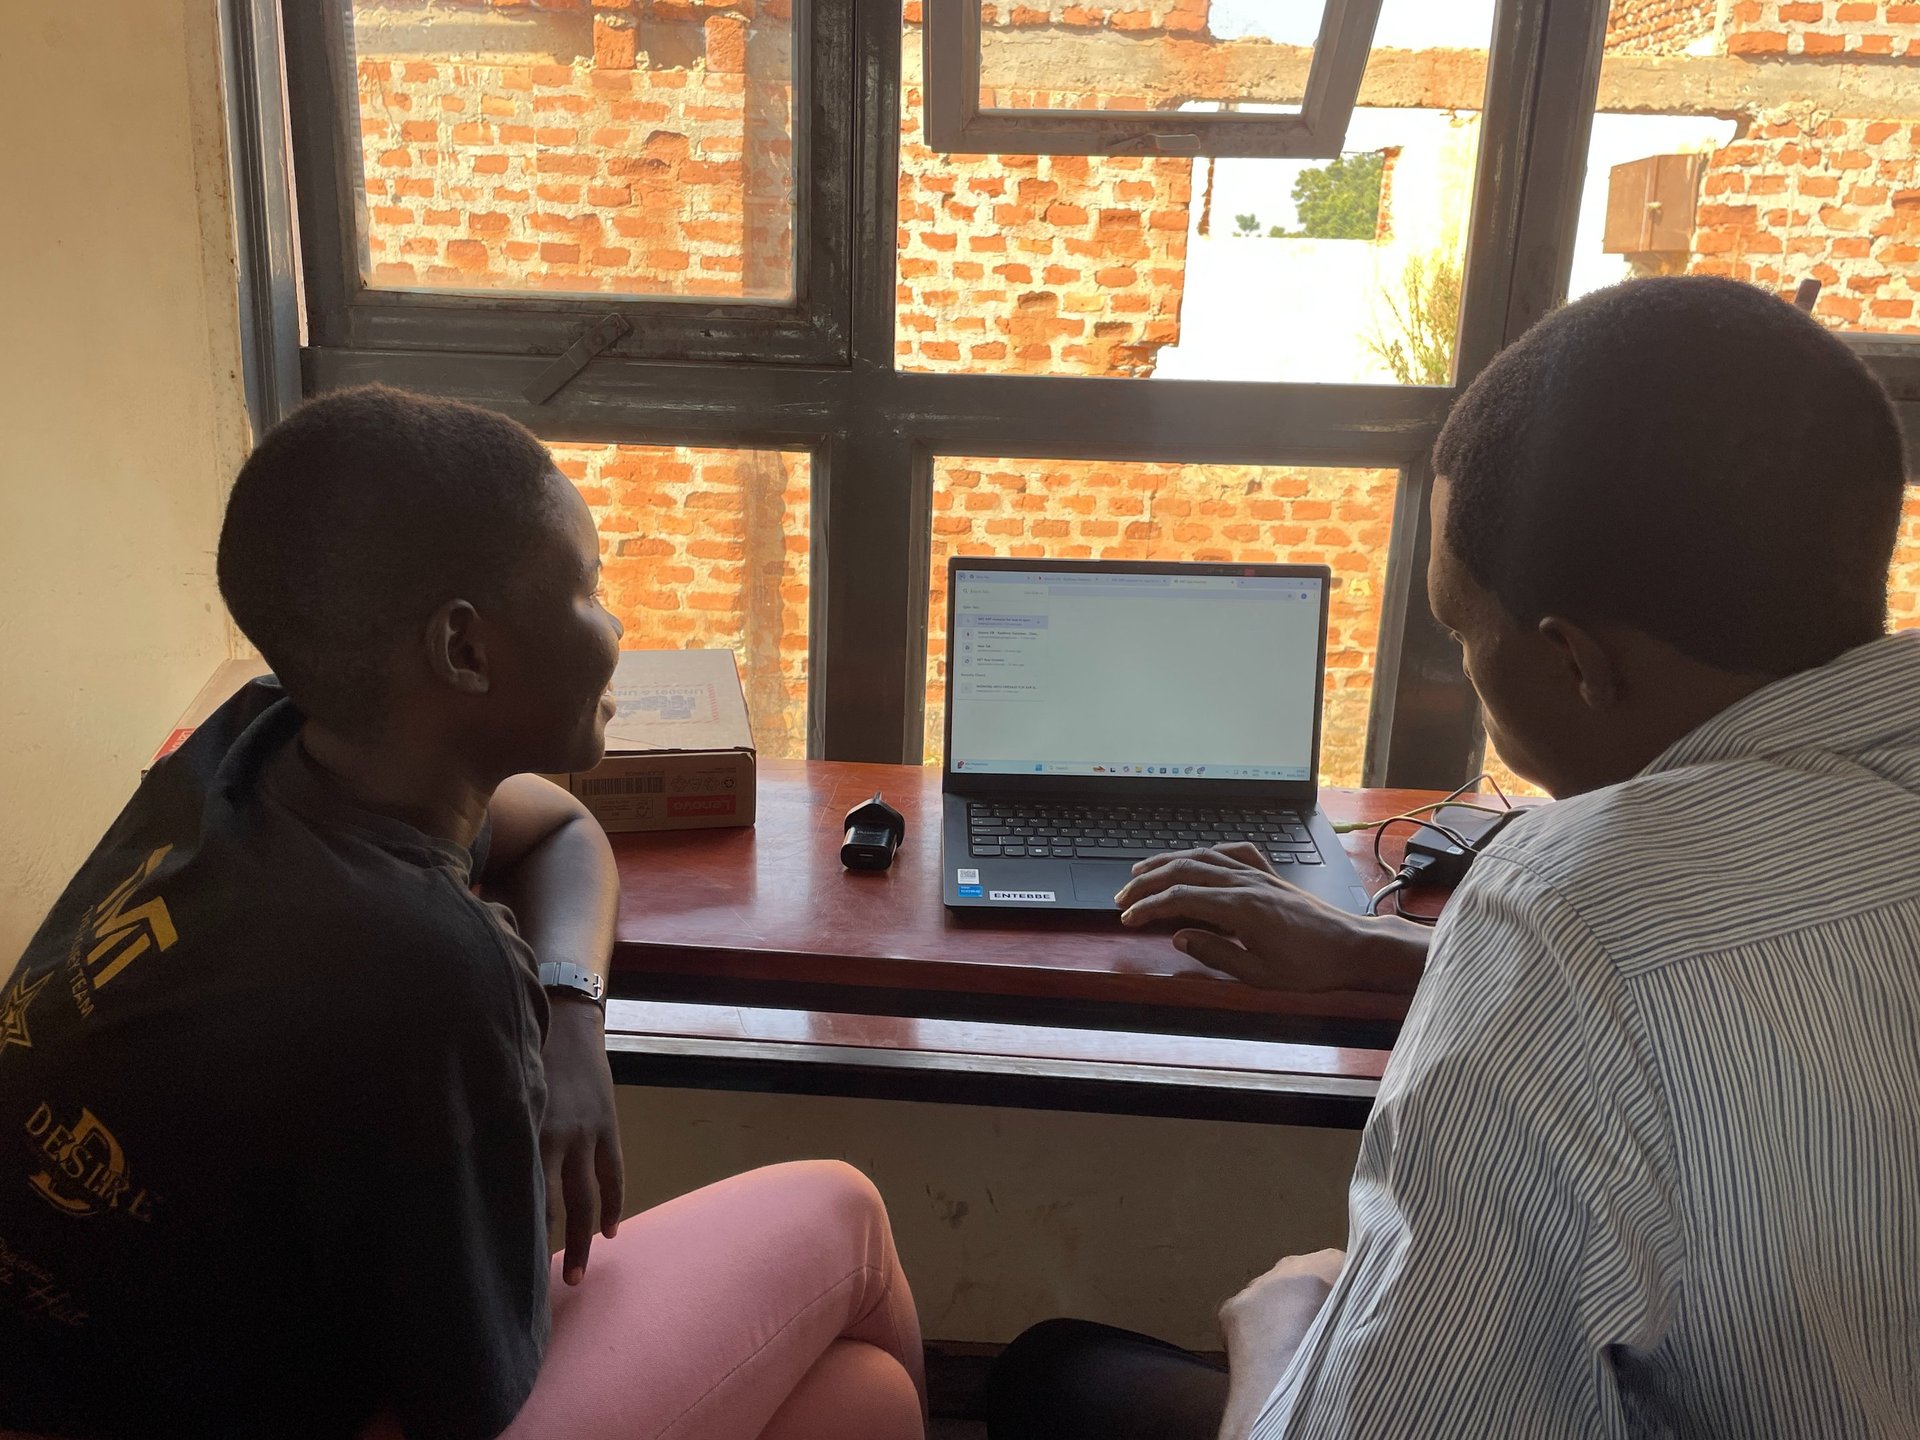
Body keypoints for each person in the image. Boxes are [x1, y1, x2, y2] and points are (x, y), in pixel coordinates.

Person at [983, 275, 1919, 1439]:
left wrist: (1277, 1321)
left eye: (1461, 628)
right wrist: (1381, 949)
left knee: (1054, 1371)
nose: (1466, 667)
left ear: (1575, 661)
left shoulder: (1569, 902)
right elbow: (1767, 1000)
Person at [0, 387, 924, 1440]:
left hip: (82, 1379)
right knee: (846, 1217)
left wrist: (572, 1019)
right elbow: (470, 1395)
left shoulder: (253, 748)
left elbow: (561, 829)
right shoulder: (421, 970)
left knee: (864, 1402)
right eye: (588, 588)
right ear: (466, 652)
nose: (616, 626)